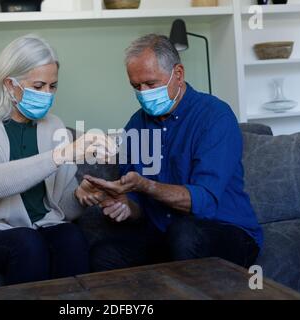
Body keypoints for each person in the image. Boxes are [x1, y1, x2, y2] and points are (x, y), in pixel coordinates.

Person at [0, 34, 114, 285]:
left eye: (52, 86)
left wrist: (81, 196)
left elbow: (61, 209)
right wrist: (61, 155)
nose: (47, 93)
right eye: (38, 86)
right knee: (27, 244)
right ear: (10, 84)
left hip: (40, 226)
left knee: (72, 237)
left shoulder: (54, 126)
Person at [83, 34, 263, 271]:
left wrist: (145, 185)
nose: (143, 93)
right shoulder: (136, 126)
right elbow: (138, 207)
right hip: (165, 234)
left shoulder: (215, 116)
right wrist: (124, 203)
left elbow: (204, 201)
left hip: (225, 230)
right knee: (104, 254)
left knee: (185, 233)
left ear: (178, 74)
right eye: (136, 86)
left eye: (150, 83)